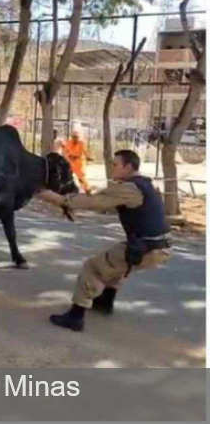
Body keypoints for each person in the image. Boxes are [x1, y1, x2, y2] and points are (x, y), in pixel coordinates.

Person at [37, 150, 171, 332]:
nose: (112, 167)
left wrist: (60, 200)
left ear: (128, 167)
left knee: (92, 268)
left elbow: (96, 202)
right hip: (157, 247)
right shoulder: (144, 184)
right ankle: (105, 303)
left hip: (147, 248)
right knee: (115, 265)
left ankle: (76, 316)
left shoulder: (130, 188)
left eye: (115, 164)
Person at [63, 128, 92, 194]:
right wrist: (67, 157)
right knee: (68, 175)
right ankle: (69, 189)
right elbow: (65, 151)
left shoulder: (81, 143)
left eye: (76, 137)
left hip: (79, 162)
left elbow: (85, 151)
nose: (75, 138)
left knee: (81, 177)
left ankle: (87, 189)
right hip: (71, 161)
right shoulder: (69, 142)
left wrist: (88, 157)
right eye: (73, 137)